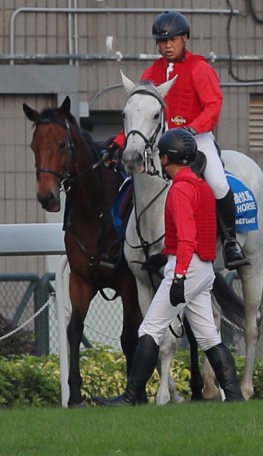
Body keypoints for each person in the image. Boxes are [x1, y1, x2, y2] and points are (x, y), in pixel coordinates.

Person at [95, 128, 244, 405]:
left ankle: (131, 396)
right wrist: (164, 255)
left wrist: (177, 277)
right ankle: (235, 396)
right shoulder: (201, 185)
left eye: (161, 155)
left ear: (168, 158)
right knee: (209, 337)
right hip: (203, 267)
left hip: (186, 268)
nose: (159, 160)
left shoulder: (179, 190)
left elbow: (187, 237)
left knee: (149, 328)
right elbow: (196, 233)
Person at [107, 11, 249, 270]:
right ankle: (121, 243)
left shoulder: (199, 67)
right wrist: (119, 141)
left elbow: (214, 105)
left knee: (217, 183)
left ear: (185, 38)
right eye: (162, 42)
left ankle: (230, 242)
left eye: (172, 40)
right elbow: (140, 114)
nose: (167, 46)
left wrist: (193, 129)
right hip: (159, 140)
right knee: (130, 183)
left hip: (196, 138)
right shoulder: (152, 71)